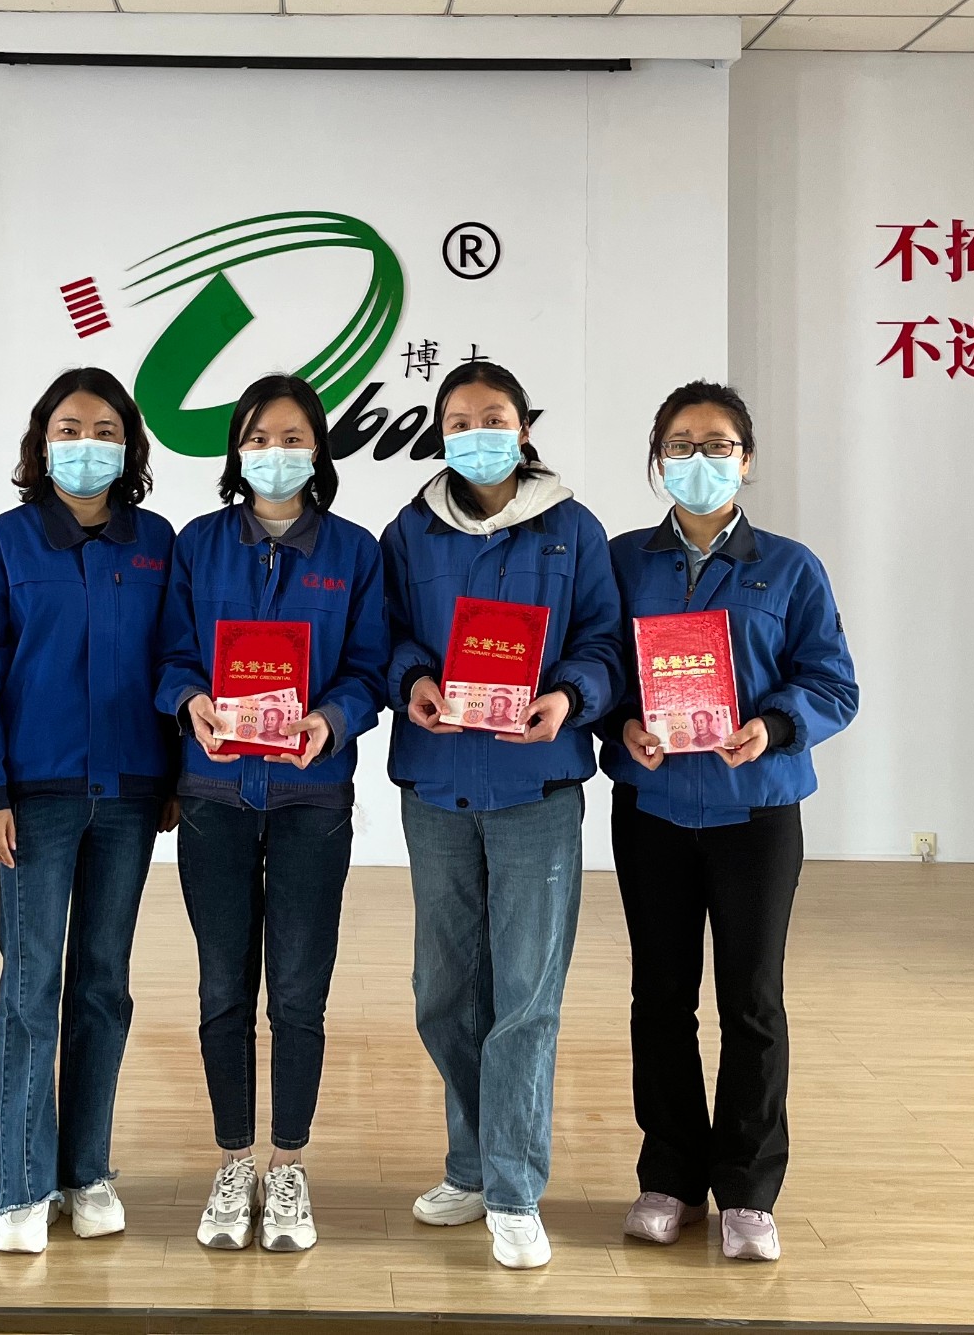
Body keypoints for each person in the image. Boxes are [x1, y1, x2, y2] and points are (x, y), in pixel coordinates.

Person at [605, 381, 857, 1263]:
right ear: (657, 460)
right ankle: (670, 1175)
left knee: (751, 1000)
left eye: (717, 444)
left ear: (746, 460)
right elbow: (597, 668)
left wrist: (774, 725)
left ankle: (748, 1187)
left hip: (757, 810)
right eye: (681, 444)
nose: (699, 459)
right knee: (661, 997)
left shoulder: (789, 566)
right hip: (654, 810)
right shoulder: (622, 562)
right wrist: (620, 725)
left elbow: (833, 683)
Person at [379, 359, 622, 1270]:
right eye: (458, 419)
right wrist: (414, 678)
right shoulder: (409, 530)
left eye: (494, 417)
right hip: (438, 784)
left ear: (524, 429)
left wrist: (569, 696)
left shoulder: (572, 528)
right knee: (443, 992)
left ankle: (513, 1188)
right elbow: (387, 633)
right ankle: (475, 1163)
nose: (476, 432)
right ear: (439, 434)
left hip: (537, 787)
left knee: (525, 996)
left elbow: (604, 640)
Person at [0, 367, 178, 1255]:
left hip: (129, 795)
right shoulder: (4, 543)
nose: (88, 445)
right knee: (31, 984)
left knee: (102, 984)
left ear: (130, 446)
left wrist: (174, 775)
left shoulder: (155, 542)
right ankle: (20, 1184)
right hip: (33, 798)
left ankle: (87, 1171)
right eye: (70, 429)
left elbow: (176, 660)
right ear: (42, 443)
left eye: (106, 430)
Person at [157, 374, 390, 1255]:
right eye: (259, 437)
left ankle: (287, 1162)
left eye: (293, 438)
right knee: (223, 987)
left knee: (297, 992)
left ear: (318, 449)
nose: (275, 453)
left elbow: (369, 668)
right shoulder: (197, 544)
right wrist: (191, 701)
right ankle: (232, 1159)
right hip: (214, 796)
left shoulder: (355, 551)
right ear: (236, 450)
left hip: (309, 799)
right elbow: (171, 654)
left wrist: (331, 719)